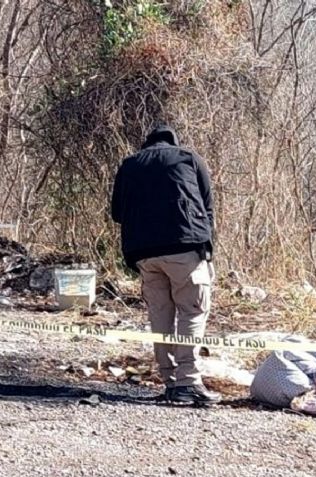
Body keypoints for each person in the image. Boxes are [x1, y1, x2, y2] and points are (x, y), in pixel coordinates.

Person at [111, 124, 220, 405]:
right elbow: (207, 207)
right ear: (173, 141)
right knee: (192, 312)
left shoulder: (130, 164)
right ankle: (188, 382)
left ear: (148, 143)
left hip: (144, 252)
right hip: (185, 248)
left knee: (160, 316)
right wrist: (207, 250)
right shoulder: (189, 158)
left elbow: (116, 213)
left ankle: (171, 381)